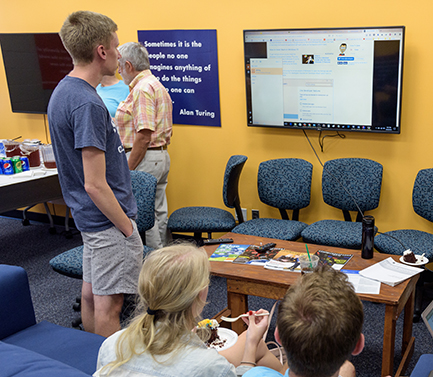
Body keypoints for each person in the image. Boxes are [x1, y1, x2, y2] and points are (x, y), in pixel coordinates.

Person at [48, 11, 143, 337]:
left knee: (90, 297)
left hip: (90, 221)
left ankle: (93, 362)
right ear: (101, 51)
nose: (119, 56)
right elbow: (94, 183)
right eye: (116, 48)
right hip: (107, 223)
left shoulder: (63, 91)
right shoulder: (86, 103)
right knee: (110, 307)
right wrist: (128, 228)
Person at [94, 243, 284, 376]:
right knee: (257, 346)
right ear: (201, 293)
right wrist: (251, 345)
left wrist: (252, 340)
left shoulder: (112, 344)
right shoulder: (210, 367)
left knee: (256, 344)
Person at [242, 266, 366, 377]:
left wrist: (251, 343)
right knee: (348, 369)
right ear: (358, 345)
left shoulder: (254, 374)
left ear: (278, 336)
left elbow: (246, 372)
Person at [116, 41, 172, 249]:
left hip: (145, 157)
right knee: (157, 211)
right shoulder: (154, 83)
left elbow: (144, 135)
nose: (119, 72)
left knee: (147, 217)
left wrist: (128, 168)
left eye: (119, 67)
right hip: (158, 157)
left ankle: (154, 265)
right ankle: (163, 261)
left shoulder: (142, 89)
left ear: (129, 66)